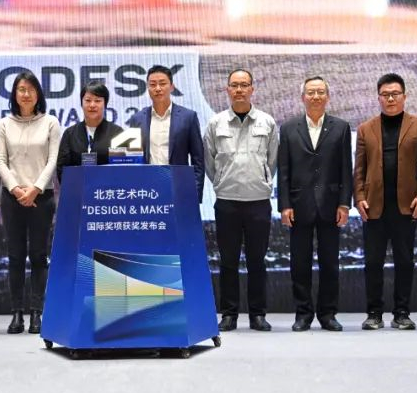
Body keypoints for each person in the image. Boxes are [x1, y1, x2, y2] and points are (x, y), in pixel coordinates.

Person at [353, 73, 417, 331]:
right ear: (378, 98)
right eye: (385, 95)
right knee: (372, 263)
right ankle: (374, 313)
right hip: (373, 206)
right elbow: (359, 169)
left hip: (406, 206)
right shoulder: (365, 128)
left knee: (405, 262)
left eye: (395, 94)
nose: (390, 99)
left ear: (404, 96)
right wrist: (359, 198)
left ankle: (402, 313)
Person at [204, 69, 279, 332]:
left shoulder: (267, 122)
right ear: (227, 89)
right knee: (228, 261)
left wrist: (262, 181)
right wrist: (222, 182)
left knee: (257, 261)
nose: (239, 90)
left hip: (258, 201)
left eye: (244, 85)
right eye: (234, 85)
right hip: (227, 201)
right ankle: (229, 314)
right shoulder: (216, 123)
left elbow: (272, 160)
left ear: (252, 89)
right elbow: (209, 162)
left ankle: (258, 314)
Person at [277, 76, 351, 332]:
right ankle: (303, 314)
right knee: (300, 264)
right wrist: (284, 205)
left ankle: (328, 314)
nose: (316, 96)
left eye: (320, 92)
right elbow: (283, 170)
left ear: (327, 96)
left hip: (331, 206)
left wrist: (344, 204)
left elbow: (346, 169)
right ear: (303, 97)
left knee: (330, 263)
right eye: (311, 92)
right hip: (299, 206)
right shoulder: (288, 128)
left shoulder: (341, 127)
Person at [0, 71, 60, 335]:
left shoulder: (50, 122)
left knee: (38, 256)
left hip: (41, 198)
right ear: (14, 94)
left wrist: (35, 189)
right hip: (12, 198)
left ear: (38, 94)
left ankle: (36, 312)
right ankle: (16, 313)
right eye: (21, 89)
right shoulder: (3, 124)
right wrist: (15, 188)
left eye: (31, 89)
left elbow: (53, 160)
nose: (26, 94)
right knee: (15, 256)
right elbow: (0, 161)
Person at [131, 65, 205, 200]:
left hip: (179, 189)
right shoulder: (137, 119)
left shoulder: (188, 117)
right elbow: (133, 159)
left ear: (172, 87)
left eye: (162, 83)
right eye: (153, 84)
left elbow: (198, 160)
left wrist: (194, 195)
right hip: (147, 190)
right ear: (147, 88)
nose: (158, 88)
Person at [56, 82, 123, 180]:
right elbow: (62, 168)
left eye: (97, 101)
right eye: (88, 100)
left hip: (108, 187)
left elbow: (123, 169)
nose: (92, 105)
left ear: (105, 104)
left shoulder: (117, 133)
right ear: (81, 103)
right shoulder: (70, 133)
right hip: (77, 188)